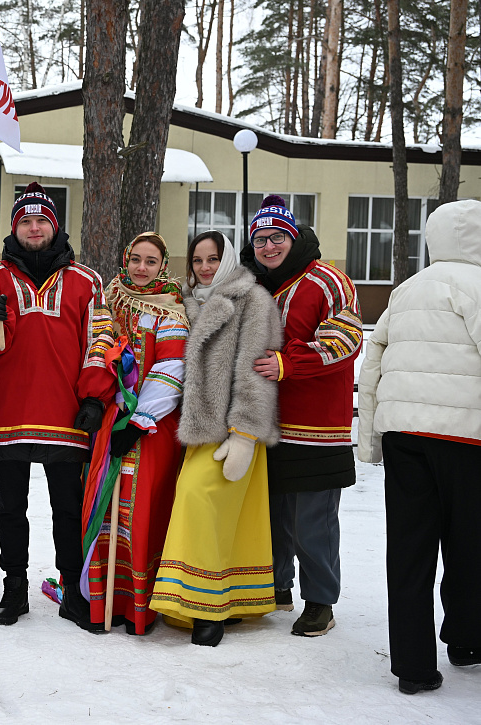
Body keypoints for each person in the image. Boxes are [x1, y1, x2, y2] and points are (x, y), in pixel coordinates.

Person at [0, 182, 116, 631]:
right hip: (8, 414)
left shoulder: (87, 281)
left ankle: (72, 589)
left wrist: (93, 395)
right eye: (25, 221)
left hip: (66, 414)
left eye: (41, 220)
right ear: (14, 228)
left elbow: (101, 337)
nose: (33, 228)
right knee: (10, 508)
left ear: (54, 226)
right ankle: (14, 588)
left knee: (67, 507)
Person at [357, 199, 481, 695]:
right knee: (470, 545)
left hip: (404, 435)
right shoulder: (478, 285)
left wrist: (371, 440)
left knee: (409, 551)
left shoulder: (407, 290)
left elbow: (373, 363)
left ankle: (413, 667)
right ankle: (468, 640)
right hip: (466, 437)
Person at [149, 231, 281, 646]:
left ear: (228, 261)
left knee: (198, 501)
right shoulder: (187, 303)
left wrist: (244, 434)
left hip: (232, 431)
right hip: (195, 432)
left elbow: (256, 371)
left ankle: (206, 610)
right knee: (222, 522)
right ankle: (231, 599)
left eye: (212, 259)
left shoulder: (252, 300)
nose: (204, 267)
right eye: (197, 260)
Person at [241, 195, 362, 637]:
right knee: (272, 515)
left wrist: (288, 362)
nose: (268, 246)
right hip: (266, 423)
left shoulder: (328, 280)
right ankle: (276, 587)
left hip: (317, 426)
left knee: (312, 521)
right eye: (260, 239)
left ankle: (320, 601)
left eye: (277, 237)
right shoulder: (254, 284)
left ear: (293, 237)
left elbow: (344, 341)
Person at [85, 232, 188, 635]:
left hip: (150, 427)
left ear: (163, 266)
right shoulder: (110, 300)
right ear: (125, 260)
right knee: (105, 508)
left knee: (139, 509)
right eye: (136, 260)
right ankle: (105, 599)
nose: (141, 268)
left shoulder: (170, 310)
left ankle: (137, 606)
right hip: (109, 421)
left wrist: (140, 419)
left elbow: (171, 368)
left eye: (151, 261)